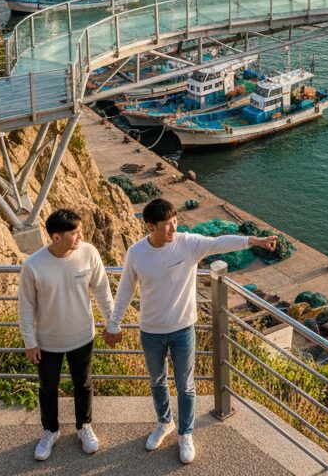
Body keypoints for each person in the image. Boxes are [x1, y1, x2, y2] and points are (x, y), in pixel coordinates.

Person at [106, 198, 277, 465]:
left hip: (183, 328)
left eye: (175, 222)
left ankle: (186, 433)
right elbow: (126, 289)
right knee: (157, 382)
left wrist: (254, 241)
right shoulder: (136, 253)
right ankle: (165, 423)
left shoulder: (188, 243)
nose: (174, 228)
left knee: (186, 385)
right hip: (150, 330)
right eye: (167, 225)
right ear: (150, 226)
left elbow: (220, 243)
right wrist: (114, 323)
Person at [18, 208, 114, 462]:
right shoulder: (33, 265)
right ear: (56, 237)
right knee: (48, 388)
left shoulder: (89, 253)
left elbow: (102, 291)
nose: (81, 236)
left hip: (82, 336)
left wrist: (112, 323)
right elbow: (26, 307)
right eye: (75, 233)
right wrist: (30, 342)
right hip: (47, 341)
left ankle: (84, 426)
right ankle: (50, 431)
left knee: (83, 384)